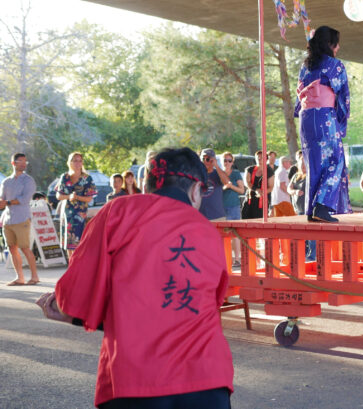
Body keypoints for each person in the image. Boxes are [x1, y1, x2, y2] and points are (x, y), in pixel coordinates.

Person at [36, 147, 234, 408]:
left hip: (135, 380)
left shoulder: (117, 212)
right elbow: (212, 301)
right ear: (196, 190)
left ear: (146, 183)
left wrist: (66, 310)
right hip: (208, 379)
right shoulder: (208, 232)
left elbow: (75, 293)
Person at [294, 25, 351, 223]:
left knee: (314, 164)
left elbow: (299, 99)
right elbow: (343, 97)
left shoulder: (305, 66)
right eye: (336, 44)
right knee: (336, 159)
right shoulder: (335, 65)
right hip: (324, 116)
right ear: (330, 44)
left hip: (306, 117)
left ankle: (312, 210)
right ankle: (322, 206)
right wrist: (341, 120)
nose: (338, 47)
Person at [0, 153, 40, 286]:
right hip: (8, 220)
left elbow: (25, 199)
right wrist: (2, 202)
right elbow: (2, 199)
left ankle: (34, 277)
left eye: (25, 162)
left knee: (25, 248)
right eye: (20, 161)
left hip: (22, 218)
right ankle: (20, 278)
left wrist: (8, 202)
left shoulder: (28, 180)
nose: (24, 164)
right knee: (12, 248)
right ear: (13, 163)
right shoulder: (6, 181)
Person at [55, 152, 96, 256]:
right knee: (69, 244)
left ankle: (79, 269)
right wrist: (69, 197)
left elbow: (89, 198)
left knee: (80, 243)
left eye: (80, 161)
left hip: (80, 215)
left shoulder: (87, 179)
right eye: (75, 160)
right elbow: (58, 196)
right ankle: (71, 267)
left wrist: (77, 197)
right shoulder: (65, 177)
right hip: (67, 215)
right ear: (70, 162)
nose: (78, 163)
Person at [222, 151, 245, 267]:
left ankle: (237, 258)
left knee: (235, 234)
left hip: (234, 206)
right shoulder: (218, 173)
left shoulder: (235, 174)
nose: (227, 162)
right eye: (225, 160)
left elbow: (242, 190)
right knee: (223, 235)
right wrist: (223, 187)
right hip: (220, 208)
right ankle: (226, 258)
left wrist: (231, 186)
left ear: (232, 162)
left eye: (229, 160)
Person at [242, 152, 274, 220]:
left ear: (266, 159)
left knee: (260, 222)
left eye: (261, 158)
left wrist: (262, 192)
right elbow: (246, 182)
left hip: (262, 202)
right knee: (246, 220)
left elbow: (271, 187)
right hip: (249, 200)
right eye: (258, 158)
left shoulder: (269, 171)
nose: (259, 160)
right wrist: (256, 189)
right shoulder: (250, 169)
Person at [198, 148, 228, 221]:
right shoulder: (196, 174)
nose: (205, 161)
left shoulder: (217, 173)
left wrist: (216, 166)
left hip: (217, 217)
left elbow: (226, 181)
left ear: (213, 160)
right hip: (199, 217)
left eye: (208, 159)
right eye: (203, 159)